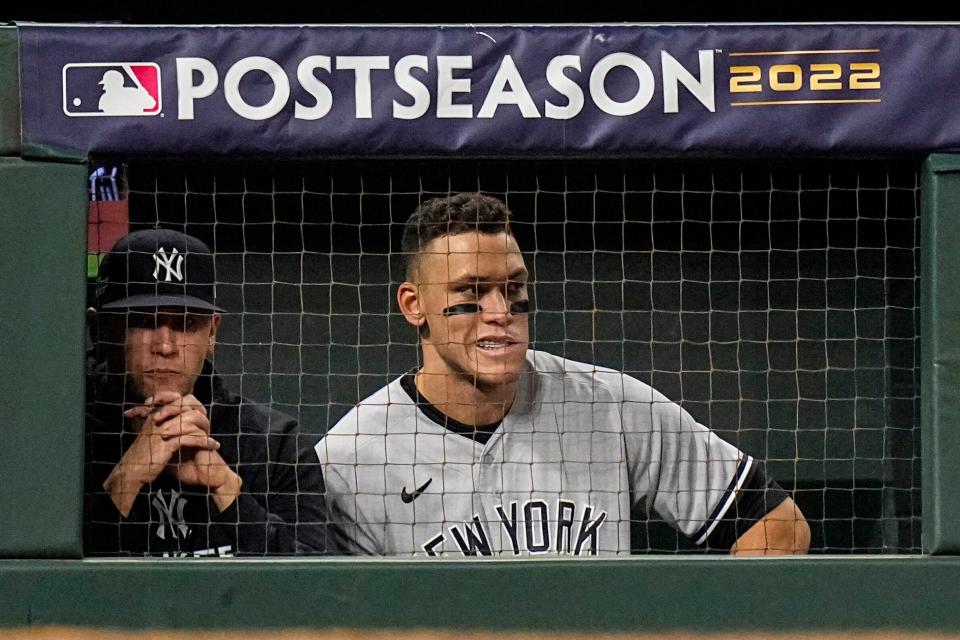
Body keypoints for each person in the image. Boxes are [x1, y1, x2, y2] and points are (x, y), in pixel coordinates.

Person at [317, 193, 810, 557]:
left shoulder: (608, 405)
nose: (499, 311)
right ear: (414, 304)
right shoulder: (352, 458)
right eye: (473, 289)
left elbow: (777, 526)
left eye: (513, 287)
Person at [85, 228, 337, 556]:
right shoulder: (63, 443)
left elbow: (317, 591)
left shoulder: (272, 444)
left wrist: (227, 490)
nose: (165, 346)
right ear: (100, 329)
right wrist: (126, 479)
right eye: (143, 321)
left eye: (186, 323)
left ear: (212, 333)